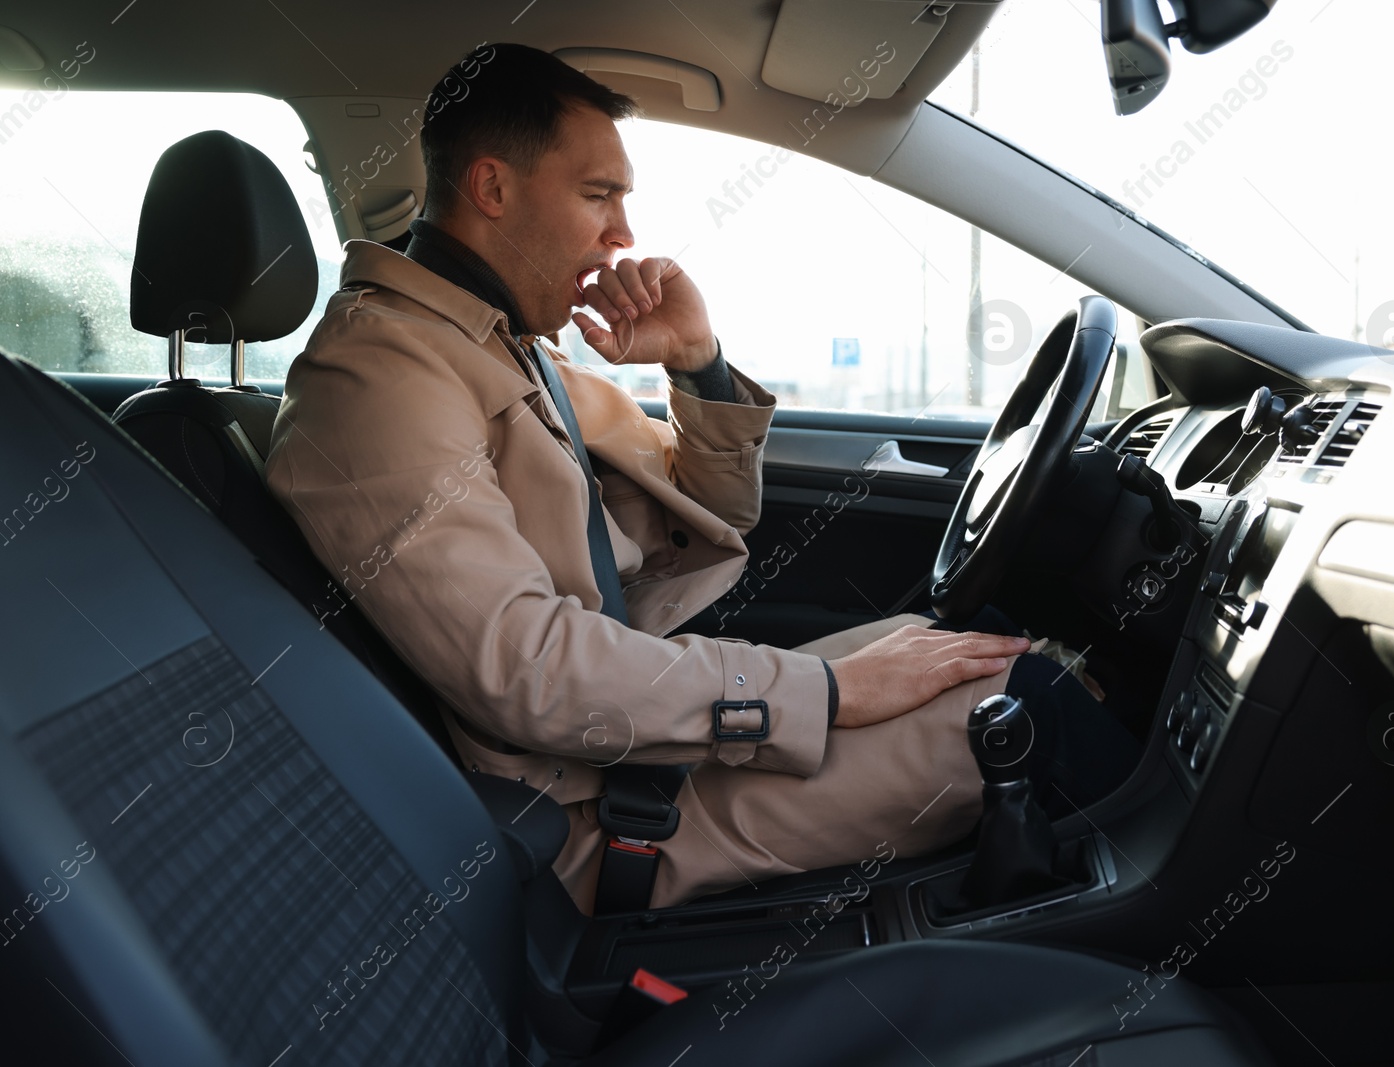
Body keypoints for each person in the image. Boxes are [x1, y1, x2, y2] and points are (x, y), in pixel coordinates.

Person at [265, 42, 1138, 913]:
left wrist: (697, 366)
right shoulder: (381, 375)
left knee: (962, 639)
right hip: (581, 813)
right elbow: (525, 670)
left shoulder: (502, 348)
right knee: (1030, 705)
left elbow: (710, 520)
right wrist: (827, 692)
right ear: (493, 189)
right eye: (598, 195)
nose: (623, 234)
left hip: (622, 738)